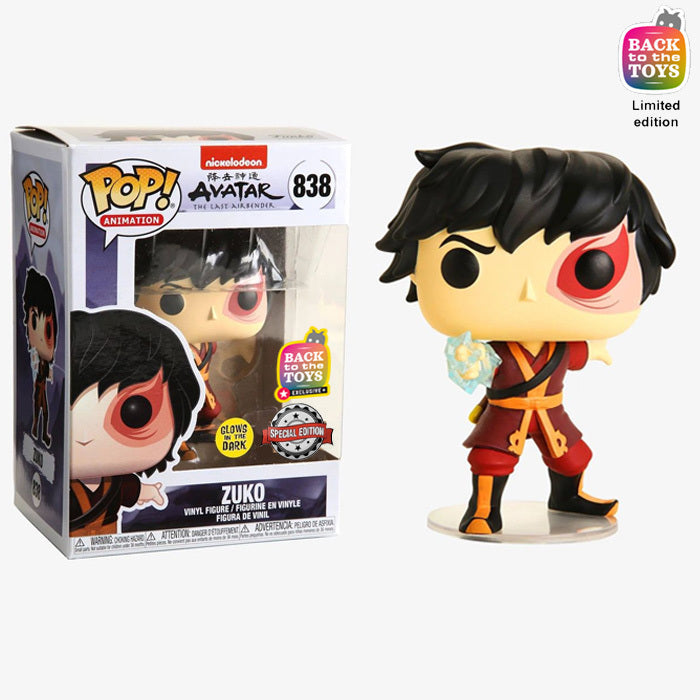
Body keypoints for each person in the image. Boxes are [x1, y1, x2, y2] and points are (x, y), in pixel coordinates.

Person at [377, 143, 675, 534]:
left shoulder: (558, 348)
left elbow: (577, 354)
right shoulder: (494, 348)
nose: (529, 293)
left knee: (572, 455)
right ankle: (483, 509)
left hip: (551, 412)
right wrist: (467, 360)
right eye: (463, 264)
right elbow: (473, 364)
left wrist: (595, 349)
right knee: (491, 459)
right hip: (506, 412)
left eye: (591, 267)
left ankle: (568, 496)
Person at [134, 228, 281, 459]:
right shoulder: (167, 348)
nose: (212, 314)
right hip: (172, 392)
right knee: (178, 412)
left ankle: (192, 433)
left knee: (208, 409)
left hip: (200, 391)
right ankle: (176, 443)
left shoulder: (208, 346)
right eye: (172, 300)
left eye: (245, 298)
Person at [69, 309, 201, 536]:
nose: (85, 437)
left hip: (109, 539)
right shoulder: (62, 484)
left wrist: (149, 492)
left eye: (135, 414)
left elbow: (131, 490)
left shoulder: (115, 483)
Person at [22, 268, 57, 447]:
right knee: (38, 409)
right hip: (38, 387)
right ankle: (37, 429)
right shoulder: (33, 359)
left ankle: (41, 432)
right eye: (35, 321)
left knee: (44, 409)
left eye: (48, 329)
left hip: (41, 387)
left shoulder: (44, 362)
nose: (43, 339)